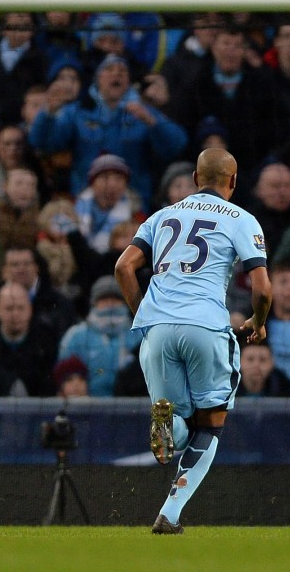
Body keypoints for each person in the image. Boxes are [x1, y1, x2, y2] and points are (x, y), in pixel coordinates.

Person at [114, 148, 272, 534]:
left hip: (156, 331)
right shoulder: (241, 219)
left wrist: (144, 314)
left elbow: (124, 267)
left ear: (195, 178)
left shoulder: (161, 217)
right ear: (232, 181)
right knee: (211, 424)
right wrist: (258, 320)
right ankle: (169, 514)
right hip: (205, 326)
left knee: (180, 423)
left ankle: (167, 423)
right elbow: (263, 289)